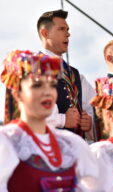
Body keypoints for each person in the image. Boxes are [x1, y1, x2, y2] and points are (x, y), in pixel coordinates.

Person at [0, 50, 99, 191]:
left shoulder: (72, 143)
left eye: (52, 85)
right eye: (37, 85)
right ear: (17, 94)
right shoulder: (6, 141)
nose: (47, 92)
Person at [37, 9, 95, 140]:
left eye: (67, 29)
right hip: (48, 148)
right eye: (61, 29)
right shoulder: (34, 66)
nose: (68, 34)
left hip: (75, 147)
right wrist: (62, 120)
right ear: (45, 33)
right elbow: (27, 111)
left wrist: (89, 122)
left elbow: (93, 105)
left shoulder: (74, 74)